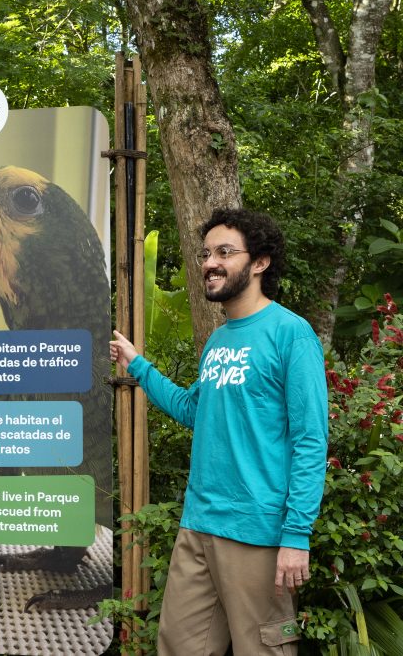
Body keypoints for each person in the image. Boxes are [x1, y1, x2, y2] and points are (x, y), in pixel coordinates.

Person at [110, 207, 328, 654]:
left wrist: (296, 534)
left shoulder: (291, 334)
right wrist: (138, 366)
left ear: (260, 262)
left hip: (257, 530)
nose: (210, 262)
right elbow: (195, 410)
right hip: (199, 524)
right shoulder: (219, 340)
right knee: (179, 645)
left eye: (225, 252)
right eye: (207, 253)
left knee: (262, 648)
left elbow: (310, 440)